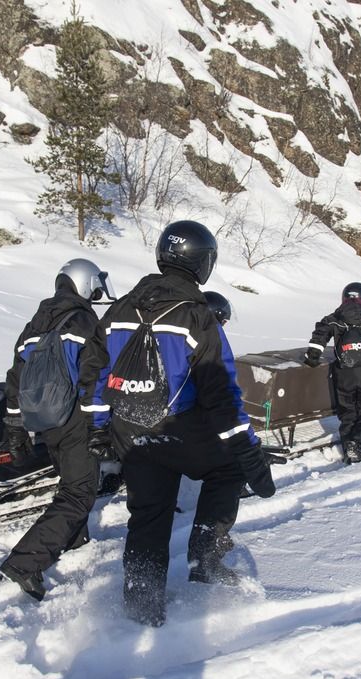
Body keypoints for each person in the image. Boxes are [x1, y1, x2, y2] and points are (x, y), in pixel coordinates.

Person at [94, 220, 276, 627]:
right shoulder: (197, 315)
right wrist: (248, 452)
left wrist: (98, 429)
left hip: (130, 431)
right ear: (202, 263)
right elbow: (221, 393)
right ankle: (206, 558)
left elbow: (95, 372)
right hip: (179, 429)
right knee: (227, 468)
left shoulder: (120, 307)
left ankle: (141, 610)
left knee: (148, 519)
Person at [0, 259, 113, 601]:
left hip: (45, 419)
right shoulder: (84, 320)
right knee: (79, 493)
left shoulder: (34, 324)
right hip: (75, 417)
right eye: (95, 284)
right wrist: (98, 426)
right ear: (84, 283)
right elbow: (94, 376)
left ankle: (75, 540)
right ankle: (25, 563)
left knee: (70, 484)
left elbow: (15, 379)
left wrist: (15, 427)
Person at [303, 282, 361, 464]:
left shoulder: (335, 317)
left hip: (344, 374)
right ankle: (357, 447)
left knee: (348, 415)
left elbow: (320, 333)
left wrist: (313, 356)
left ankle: (349, 451)